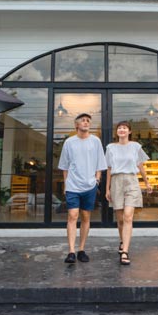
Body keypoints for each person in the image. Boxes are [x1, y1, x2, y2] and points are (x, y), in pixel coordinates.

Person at [57, 112, 107, 264]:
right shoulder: (69, 142)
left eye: (88, 120)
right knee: (72, 215)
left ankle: (81, 249)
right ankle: (71, 251)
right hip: (73, 185)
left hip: (90, 185)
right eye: (83, 120)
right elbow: (65, 166)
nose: (86, 122)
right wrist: (66, 184)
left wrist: (97, 180)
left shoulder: (95, 141)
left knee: (85, 217)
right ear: (76, 125)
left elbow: (100, 162)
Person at [105, 121, 150, 265]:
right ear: (116, 131)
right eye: (119, 128)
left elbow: (140, 166)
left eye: (124, 128)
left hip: (131, 181)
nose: (122, 130)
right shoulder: (110, 148)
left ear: (129, 131)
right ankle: (122, 240)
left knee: (128, 216)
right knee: (120, 220)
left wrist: (147, 182)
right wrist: (107, 189)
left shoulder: (135, 146)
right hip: (116, 182)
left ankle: (125, 251)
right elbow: (109, 169)